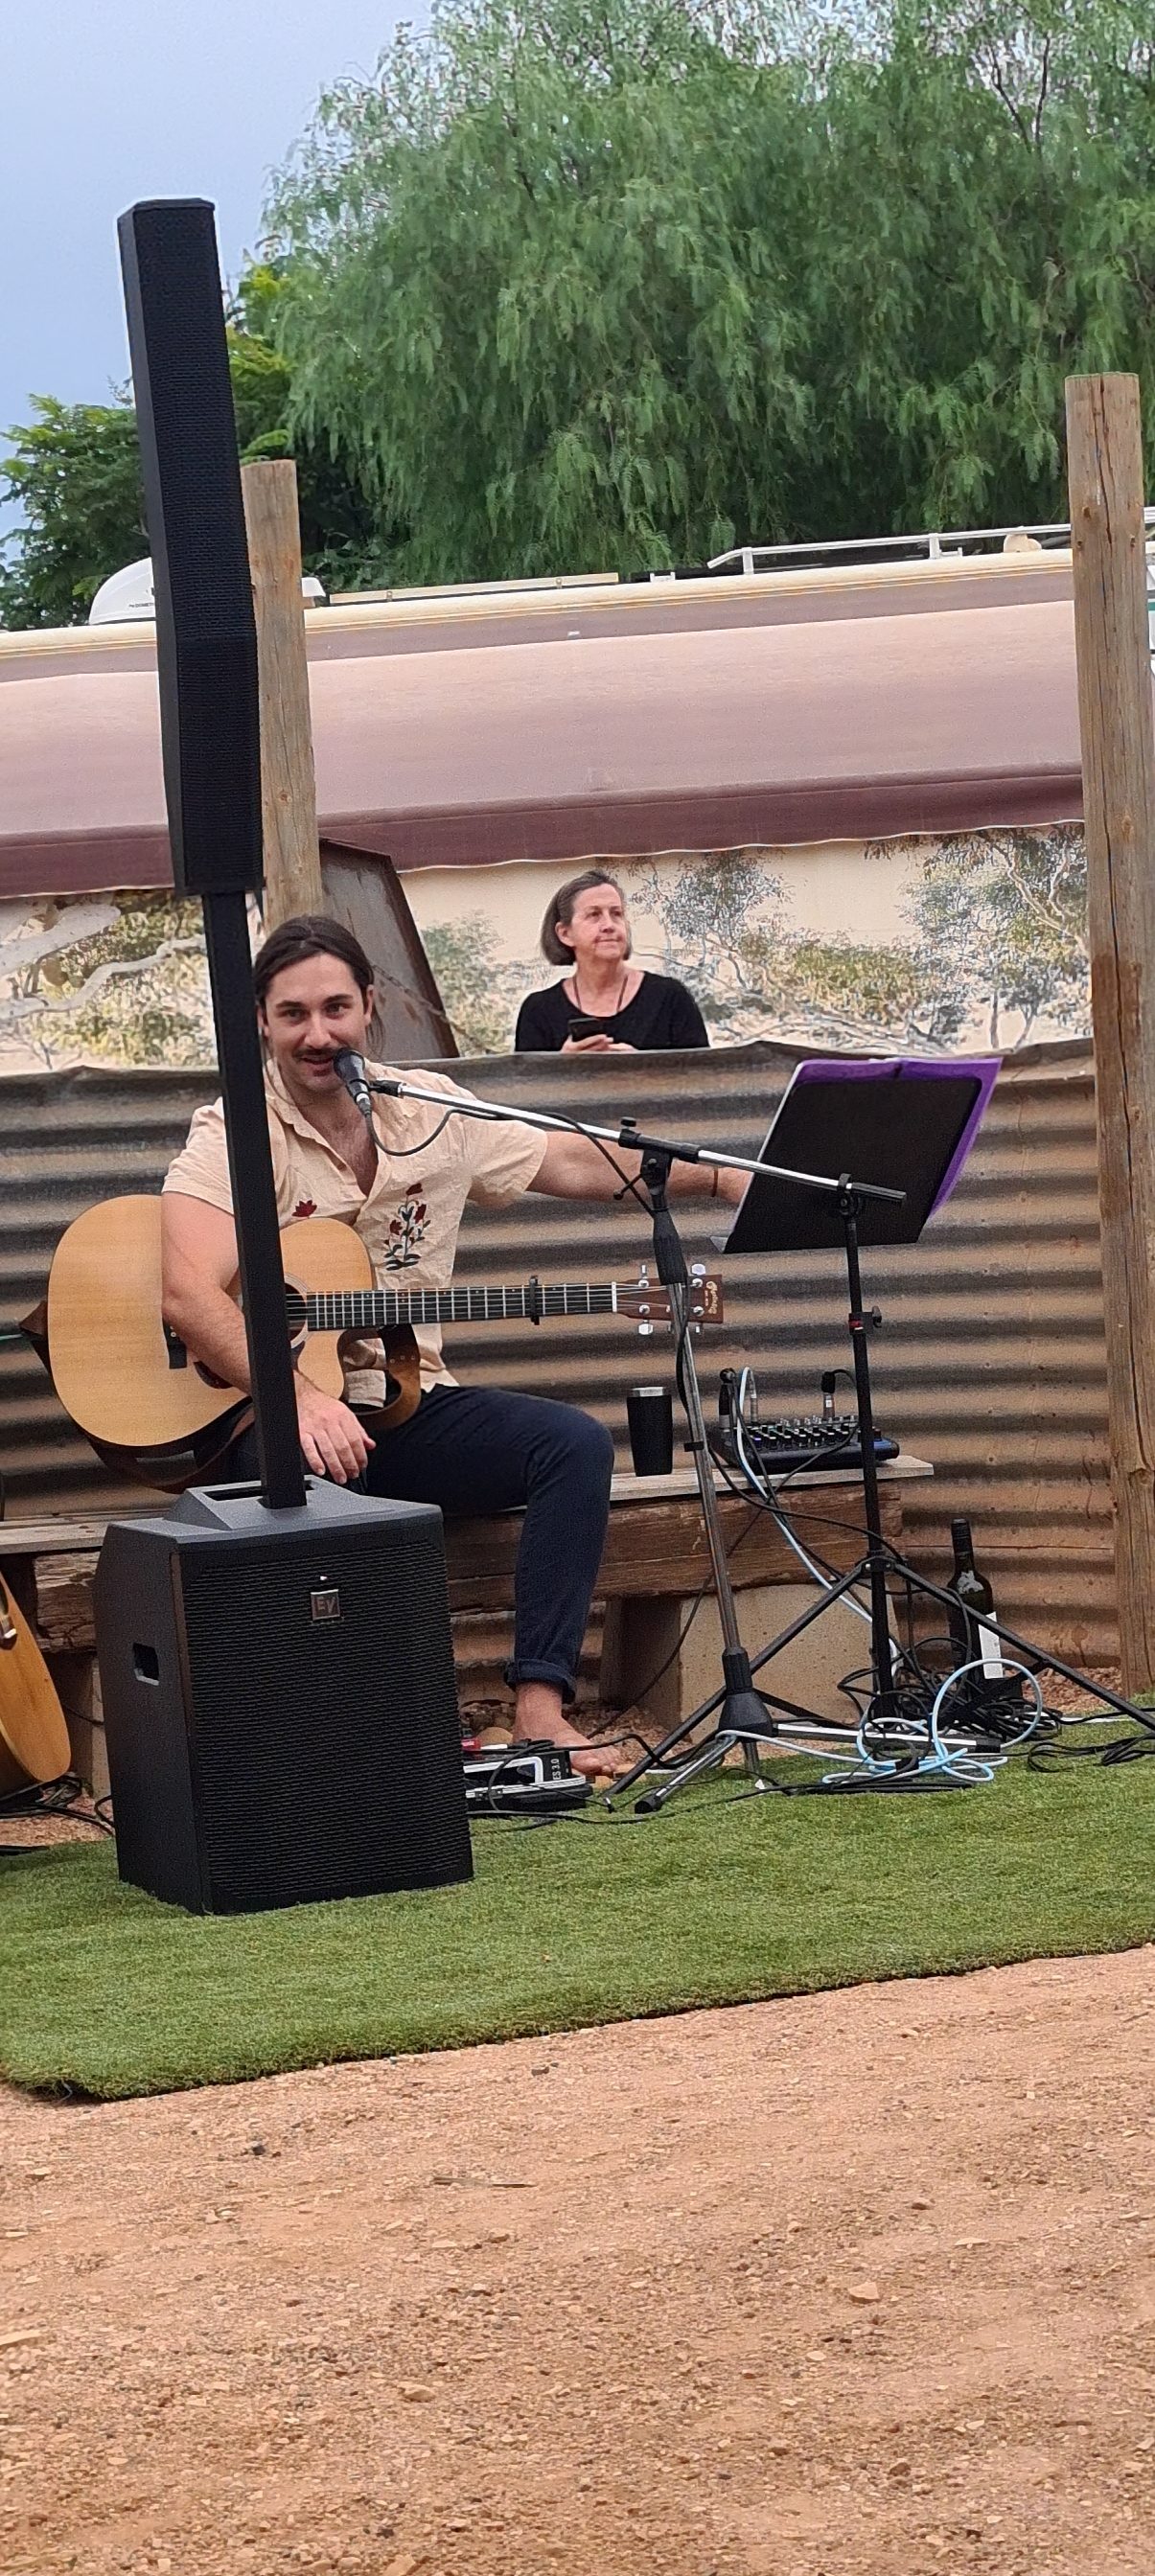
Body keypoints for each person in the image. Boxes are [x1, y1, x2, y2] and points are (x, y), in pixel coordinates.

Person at [161, 914, 741, 1780]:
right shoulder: (235, 1133)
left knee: (571, 1445)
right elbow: (185, 1295)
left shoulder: (429, 1111)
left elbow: (572, 1162)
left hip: (403, 1402)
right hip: (268, 1421)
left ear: (368, 1006)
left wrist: (721, 1177)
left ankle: (540, 1710)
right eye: (293, 1015)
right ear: (260, 1022)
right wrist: (300, 1400)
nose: (317, 1035)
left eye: (335, 1009)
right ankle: (361, 1748)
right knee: (319, 1497)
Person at [514, 868, 709, 1054]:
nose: (609, 925)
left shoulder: (670, 998)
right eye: (594, 915)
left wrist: (643, 1066)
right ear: (565, 934)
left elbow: (705, 1074)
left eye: (616, 914)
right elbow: (526, 1079)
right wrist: (560, 1064)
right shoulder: (539, 1011)